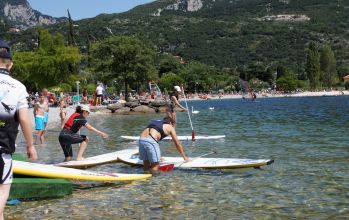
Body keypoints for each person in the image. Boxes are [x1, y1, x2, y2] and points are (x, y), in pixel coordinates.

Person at [0, 39, 38, 219]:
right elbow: (23, 118)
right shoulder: (19, 87)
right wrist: (30, 146)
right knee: (2, 189)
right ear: (11, 64)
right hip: (2, 149)